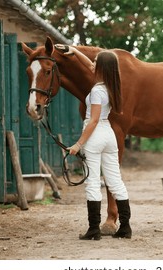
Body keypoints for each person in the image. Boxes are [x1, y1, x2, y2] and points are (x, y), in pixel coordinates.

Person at [61, 46, 132, 240]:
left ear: (101, 68)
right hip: (109, 135)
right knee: (115, 181)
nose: (92, 65)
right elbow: (88, 63)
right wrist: (73, 51)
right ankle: (125, 227)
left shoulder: (95, 91)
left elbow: (92, 120)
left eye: (96, 63)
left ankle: (93, 229)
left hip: (95, 134)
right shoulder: (111, 86)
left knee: (92, 182)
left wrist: (78, 144)